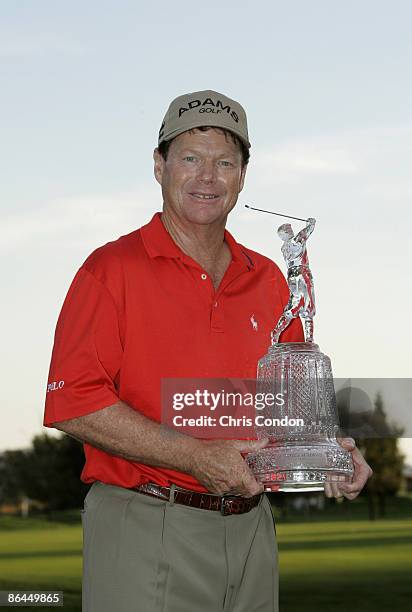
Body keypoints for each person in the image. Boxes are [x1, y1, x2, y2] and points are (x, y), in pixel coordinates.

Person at [43, 90, 372, 612]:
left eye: (225, 162)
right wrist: (195, 456)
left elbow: (286, 412)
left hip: (252, 529)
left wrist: (329, 451)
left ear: (243, 175)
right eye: (190, 158)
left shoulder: (267, 278)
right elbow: (74, 402)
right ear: (159, 166)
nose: (207, 177)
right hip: (148, 521)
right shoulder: (110, 269)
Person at [271, 217, 316, 344]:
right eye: (289, 229)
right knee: (308, 308)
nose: (291, 231)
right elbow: (307, 231)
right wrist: (310, 224)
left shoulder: (284, 248)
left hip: (292, 276)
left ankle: (276, 332)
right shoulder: (296, 241)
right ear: (286, 233)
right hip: (303, 274)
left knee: (293, 307)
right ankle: (309, 340)